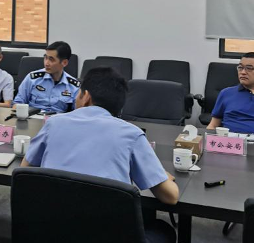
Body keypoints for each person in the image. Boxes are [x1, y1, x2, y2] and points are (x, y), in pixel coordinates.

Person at [20, 67, 179, 206]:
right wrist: (161, 174)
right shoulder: (132, 134)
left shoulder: (53, 124)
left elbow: (24, 172)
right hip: (107, 226)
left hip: (50, 224)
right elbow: (171, 197)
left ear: (86, 97)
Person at [13, 41, 79, 113]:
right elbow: (18, 103)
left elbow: (78, 113)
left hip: (58, 119)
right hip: (33, 117)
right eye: (45, 58)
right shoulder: (32, 79)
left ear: (64, 62)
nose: (46, 63)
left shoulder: (74, 87)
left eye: (51, 59)